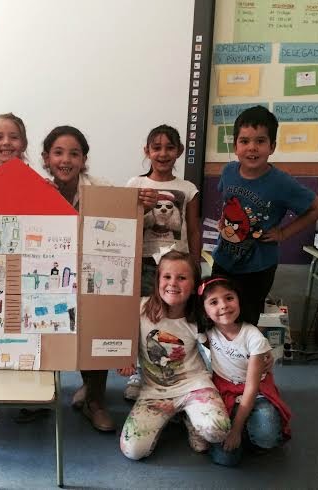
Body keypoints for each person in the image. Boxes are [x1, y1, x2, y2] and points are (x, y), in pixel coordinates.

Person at [41, 125, 132, 431]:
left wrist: (139, 202)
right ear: (46, 158)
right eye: (58, 153)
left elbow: (122, 222)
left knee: (96, 329)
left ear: (83, 160)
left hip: (94, 273)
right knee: (47, 328)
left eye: (74, 154)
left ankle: (95, 400)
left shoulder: (102, 189)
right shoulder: (38, 187)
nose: (65, 160)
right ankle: (39, 397)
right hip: (51, 276)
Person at [212, 105, 318, 326]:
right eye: (244, 141)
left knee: (245, 322)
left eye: (260, 141)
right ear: (235, 146)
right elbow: (228, 200)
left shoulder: (281, 182)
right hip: (224, 259)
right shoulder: (228, 171)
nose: (252, 148)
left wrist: (283, 233)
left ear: (272, 146)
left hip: (258, 267)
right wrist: (224, 221)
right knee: (215, 317)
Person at [118, 250, 230, 460]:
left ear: (194, 285)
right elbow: (123, 337)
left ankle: (189, 418)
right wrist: (125, 359)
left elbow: (224, 341)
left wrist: (254, 354)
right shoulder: (140, 308)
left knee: (217, 430)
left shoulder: (199, 316)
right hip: (155, 391)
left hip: (194, 385)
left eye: (182, 278)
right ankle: (173, 416)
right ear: (157, 281)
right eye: (167, 276)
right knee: (133, 451)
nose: (173, 283)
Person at [124, 124, 202, 401]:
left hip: (177, 266)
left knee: (171, 319)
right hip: (143, 262)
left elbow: (194, 229)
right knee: (143, 317)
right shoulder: (135, 185)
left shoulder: (187, 188)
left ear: (179, 151)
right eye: (156, 148)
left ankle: (168, 369)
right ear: (147, 151)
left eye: (169, 147)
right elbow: (123, 223)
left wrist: (195, 263)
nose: (163, 153)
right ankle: (138, 372)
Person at [198, 275, 291, 466]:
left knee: (267, 437)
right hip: (224, 391)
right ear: (205, 311)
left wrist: (235, 430)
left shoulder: (253, 337)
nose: (223, 305)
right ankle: (243, 428)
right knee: (225, 459)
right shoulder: (207, 332)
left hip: (256, 392)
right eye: (214, 302)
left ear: (239, 300)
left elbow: (251, 388)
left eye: (229, 298)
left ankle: (245, 429)